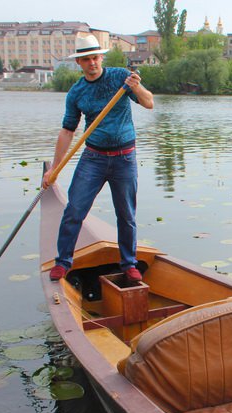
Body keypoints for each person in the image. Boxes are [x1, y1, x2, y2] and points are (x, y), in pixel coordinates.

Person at [43, 34, 154, 283]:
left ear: (101, 57)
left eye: (95, 57)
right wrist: (55, 169)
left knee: (126, 215)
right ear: (79, 63)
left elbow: (149, 103)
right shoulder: (76, 93)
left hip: (125, 158)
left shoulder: (119, 77)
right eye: (86, 59)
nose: (92, 62)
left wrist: (136, 86)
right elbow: (67, 131)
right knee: (74, 210)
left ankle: (128, 263)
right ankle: (63, 262)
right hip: (93, 158)